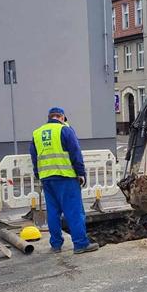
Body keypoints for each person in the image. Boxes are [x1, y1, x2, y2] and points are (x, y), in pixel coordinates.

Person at [30, 107, 99, 254]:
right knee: (74, 211)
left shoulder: (37, 133)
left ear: (49, 117)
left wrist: (38, 175)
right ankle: (80, 244)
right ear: (62, 117)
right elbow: (75, 153)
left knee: (53, 212)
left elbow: (34, 158)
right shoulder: (65, 130)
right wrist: (81, 173)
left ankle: (55, 244)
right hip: (65, 177)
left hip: (47, 179)